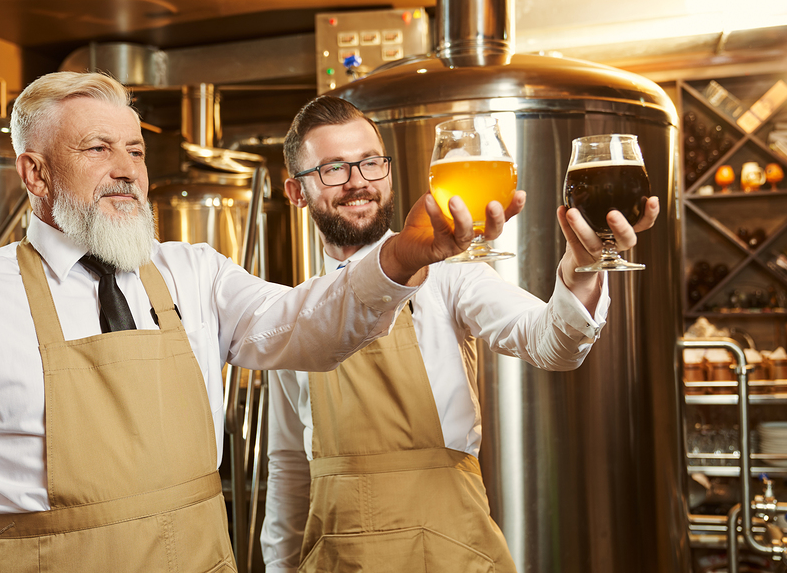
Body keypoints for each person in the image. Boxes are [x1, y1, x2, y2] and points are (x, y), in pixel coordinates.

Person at [0, 72, 510, 573]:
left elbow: (307, 325)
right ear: (34, 173)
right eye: (98, 149)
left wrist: (403, 255)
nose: (126, 170)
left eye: (136, 151)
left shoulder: (193, 273)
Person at [260, 96, 660, 573]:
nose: (358, 183)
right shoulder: (291, 316)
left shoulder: (449, 275)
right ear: (295, 192)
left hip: (454, 554)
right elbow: (287, 466)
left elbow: (550, 344)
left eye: (370, 163)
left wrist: (583, 269)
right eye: (332, 169)